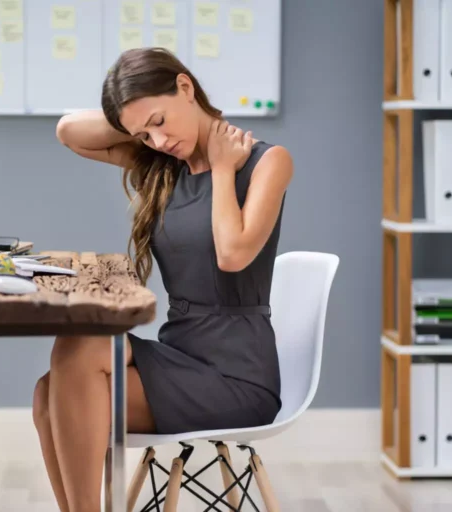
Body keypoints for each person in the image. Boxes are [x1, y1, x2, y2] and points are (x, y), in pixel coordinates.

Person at [31, 47, 294, 512]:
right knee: (54, 379)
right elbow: (68, 131)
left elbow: (233, 255)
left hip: (238, 374)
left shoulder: (266, 162)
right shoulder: (162, 167)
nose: (156, 140)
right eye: (142, 134)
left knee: (66, 372)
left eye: (159, 120)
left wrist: (222, 165)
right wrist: (135, 116)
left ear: (185, 88)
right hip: (180, 354)